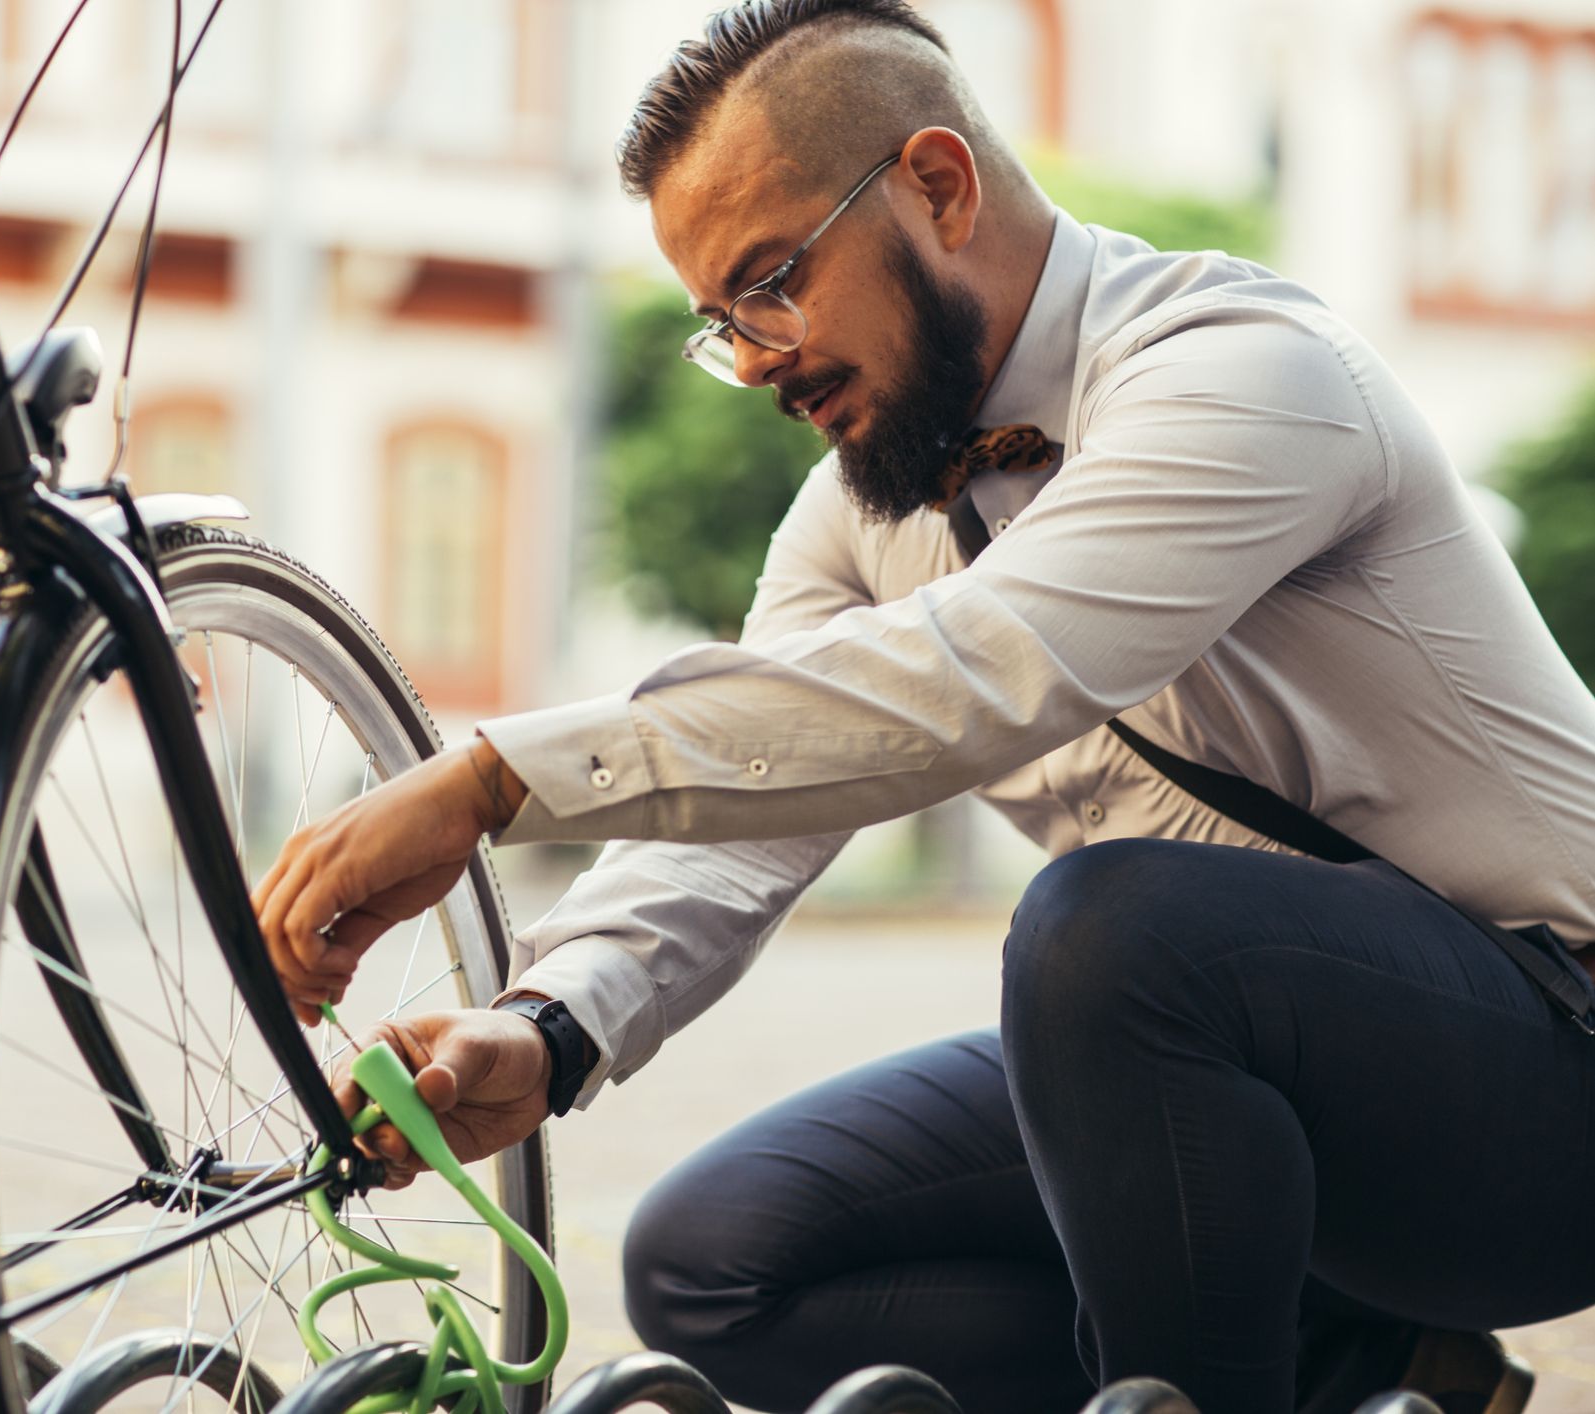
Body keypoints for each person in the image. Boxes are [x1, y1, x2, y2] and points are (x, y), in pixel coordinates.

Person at [249, 3, 1595, 1411]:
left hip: (1541, 1086)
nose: (755, 357)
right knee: (713, 1256)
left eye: (770, 281)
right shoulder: (857, 513)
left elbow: (964, 676)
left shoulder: (1243, 373)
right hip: (1227, 1096)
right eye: (721, 322)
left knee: (1108, 938)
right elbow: (755, 799)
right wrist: (549, 1022)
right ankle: (1368, 1369)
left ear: (936, 187)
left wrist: (486, 780)